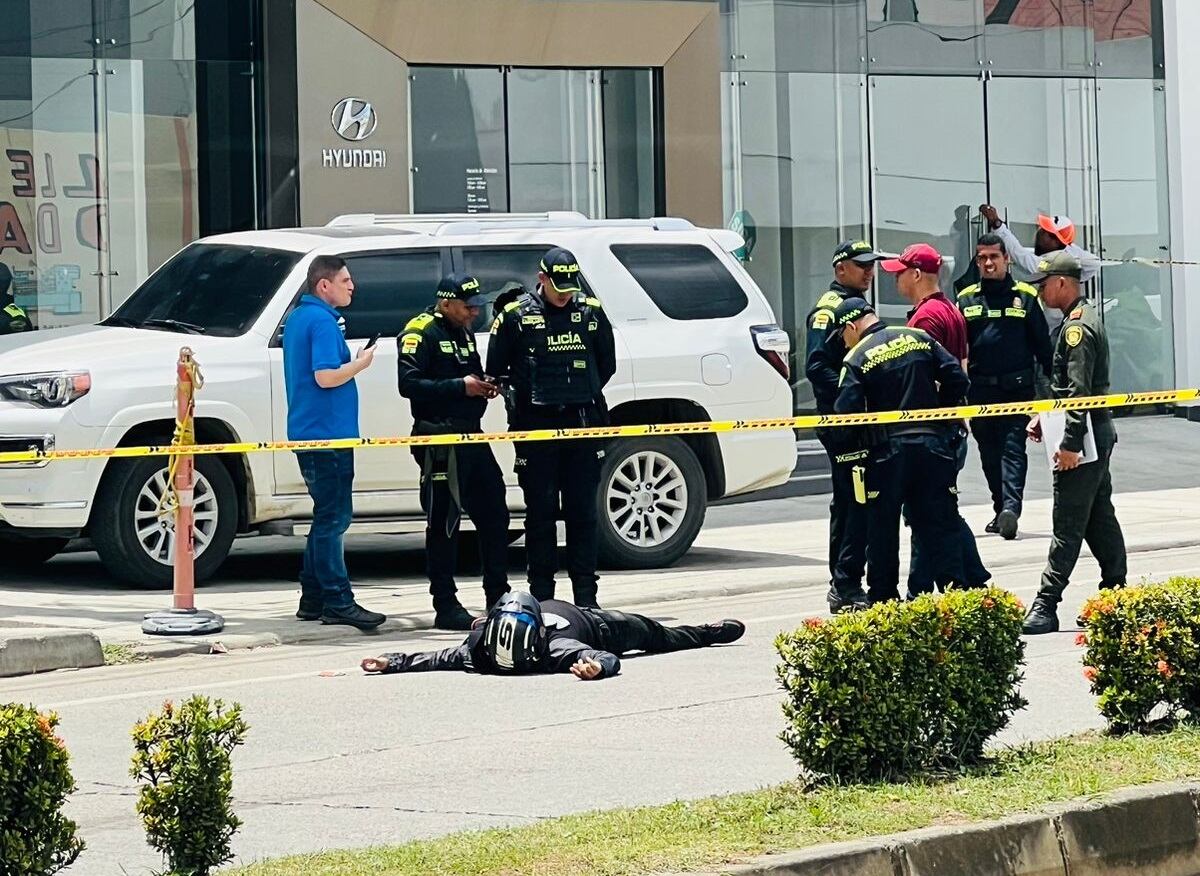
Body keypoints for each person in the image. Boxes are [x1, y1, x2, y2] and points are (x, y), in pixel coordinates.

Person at [485, 247, 616, 609]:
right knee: (540, 514)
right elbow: (495, 367)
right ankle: (542, 597)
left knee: (583, 514)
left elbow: (606, 365)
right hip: (535, 427)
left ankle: (586, 599)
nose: (565, 294)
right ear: (542, 278)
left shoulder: (590, 311)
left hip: (582, 423)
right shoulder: (515, 315)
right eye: (559, 287)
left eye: (570, 287)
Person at [833, 298, 970, 604]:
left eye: (842, 336)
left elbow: (845, 415)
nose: (843, 343)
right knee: (941, 526)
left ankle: (885, 604)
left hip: (887, 455)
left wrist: (854, 443)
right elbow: (958, 378)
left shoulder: (857, 356)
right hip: (933, 448)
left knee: (882, 531)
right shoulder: (918, 337)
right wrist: (941, 412)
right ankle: (957, 601)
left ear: (851, 327)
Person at [397, 272, 511, 630]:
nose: (474, 312)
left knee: (495, 513)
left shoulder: (463, 331)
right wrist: (460, 386)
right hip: (438, 438)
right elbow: (409, 384)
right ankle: (445, 605)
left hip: (471, 434)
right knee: (444, 522)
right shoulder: (420, 332)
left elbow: (470, 374)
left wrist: (484, 385)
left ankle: (498, 596)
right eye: (467, 306)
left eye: (477, 305)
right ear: (446, 303)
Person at [1022, 251, 1126, 635]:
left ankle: (1046, 605)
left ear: (1063, 282)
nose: (1040, 292)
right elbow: (1069, 392)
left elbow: (1078, 393)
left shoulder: (1076, 329)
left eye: (1044, 285)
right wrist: (1046, 417)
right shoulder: (1080, 319)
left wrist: (1069, 444)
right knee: (1099, 518)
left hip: (1085, 437)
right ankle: (1116, 596)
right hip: (1094, 431)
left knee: (1067, 522)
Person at [282, 255, 386, 630]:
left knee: (326, 515)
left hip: (312, 431)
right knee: (334, 518)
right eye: (345, 280)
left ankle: (313, 598)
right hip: (326, 433)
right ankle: (339, 600)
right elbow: (325, 377)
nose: (352, 286)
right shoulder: (322, 321)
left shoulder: (300, 317)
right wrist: (361, 363)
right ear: (323, 285)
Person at [885, 244, 989, 597]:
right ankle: (968, 582)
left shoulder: (926, 319)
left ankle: (929, 591)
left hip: (934, 430)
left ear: (916, 274)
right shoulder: (949, 310)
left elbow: (930, 378)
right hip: (949, 427)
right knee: (936, 512)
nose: (896, 279)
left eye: (900, 272)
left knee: (928, 516)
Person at [359, 591, 745, 680]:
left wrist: (598, 666)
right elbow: (433, 658)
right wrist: (391, 662)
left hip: (600, 626)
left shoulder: (558, 648)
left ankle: (703, 633)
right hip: (577, 633)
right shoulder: (478, 648)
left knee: (657, 635)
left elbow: (607, 656)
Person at [805, 240, 886, 613]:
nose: (869, 271)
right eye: (861, 265)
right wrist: (856, 386)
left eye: (871, 265)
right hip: (844, 424)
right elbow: (816, 367)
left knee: (861, 502)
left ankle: (851, 579)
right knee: (853, 503)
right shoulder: (829, 310)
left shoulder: (857, 305)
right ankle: (844, 585)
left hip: (863, 423)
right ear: (840, 269)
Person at [957, 234, 1053, 539]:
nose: (988, 263)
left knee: (1013, 449)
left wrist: (1050, 396)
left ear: (1007, 259)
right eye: (982, 258)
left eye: (994, 257)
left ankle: (1011, 507)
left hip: (1017, 390)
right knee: (989, 455)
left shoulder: (1025, 296)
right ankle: (1001, 509)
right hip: (981, 392)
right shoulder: (966, 298)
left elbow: (1043, 348)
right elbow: (958, 351)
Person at [979, 205, 1101, 284]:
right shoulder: (1049, 258)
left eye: (1044, 231)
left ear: (1056, 241)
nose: (1039, 232)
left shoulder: (1051, 262)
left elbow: (1094, 263)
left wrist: (998, 225)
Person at [0, 263, 31, 335]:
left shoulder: (11, 304)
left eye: (4, 282)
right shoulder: (11, 303)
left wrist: (21, 324)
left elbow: (26, 326)